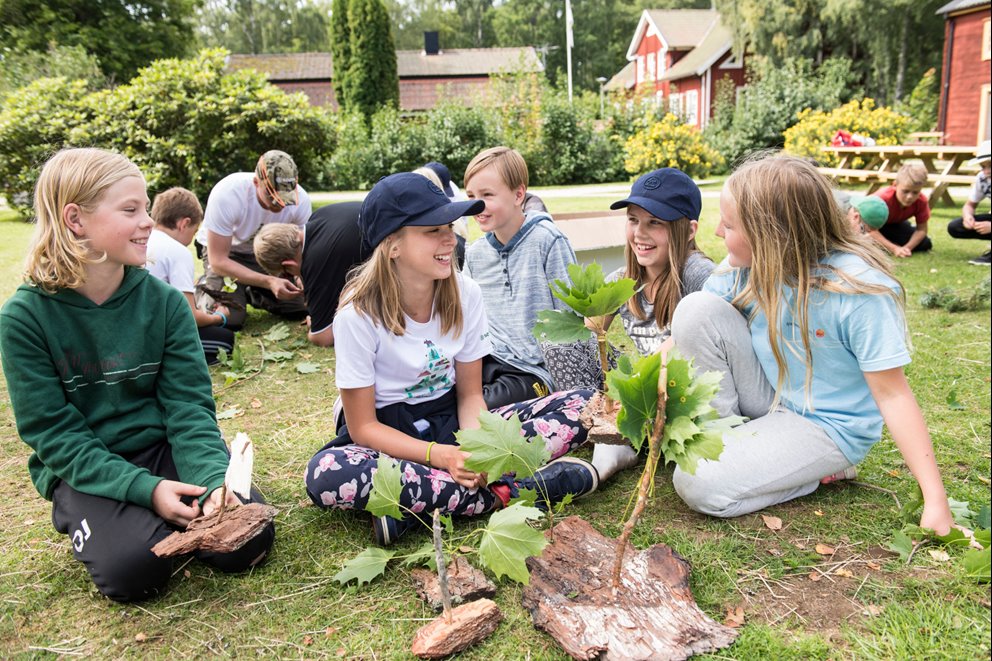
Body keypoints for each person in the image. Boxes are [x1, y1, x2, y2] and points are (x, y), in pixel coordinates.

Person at [0, 148, 274, 602]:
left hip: (163, 447)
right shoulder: (24, 318)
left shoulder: (165, 303)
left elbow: (188, 408)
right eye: (131, 210)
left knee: (247, 539)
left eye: (146, 207)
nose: (148, 221)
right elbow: (53, 434)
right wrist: (146, 491)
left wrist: (210, 482)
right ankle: (115, 519)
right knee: (136, 571)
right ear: (75, 219)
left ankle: (181, 509)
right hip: (84, 468)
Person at [303, 173, 599, 545]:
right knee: (325, 474)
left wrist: (480, 452)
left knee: (587, 402)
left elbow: (470, 395)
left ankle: (417, 505)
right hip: (392, 435)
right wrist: (441, 457)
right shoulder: (356, 317)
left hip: (453, 420)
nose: (451, 239)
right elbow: (363, 428)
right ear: (392, 245)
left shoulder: (465, 293)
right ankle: (520, 491)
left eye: (450, 226)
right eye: (433, 230)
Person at [668, 154, 954, 536]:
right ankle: (731, 441)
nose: (718, 231)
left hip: (826, 426)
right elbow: (691, 332)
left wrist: (935, 500)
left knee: (694, 479)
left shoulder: (860, 292)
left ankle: (816, 472)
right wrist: (639, 382)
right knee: (696, 308)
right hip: (774, 396)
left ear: (772, 235)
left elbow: (894, 396)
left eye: (730, 224)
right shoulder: (751, 268)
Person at [583, 168, 716, 481]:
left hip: (685, 394)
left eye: (655, 222)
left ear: (689, 230)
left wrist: (635, 381)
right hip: (643, 392)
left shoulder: (698, 273)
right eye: (633, 220)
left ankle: (622, 438)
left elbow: (701, 340)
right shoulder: (626, 279)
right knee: (567, 344)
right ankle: (611, 428)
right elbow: (587, 328)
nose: (640, 233)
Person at [463, 146, 576, 408]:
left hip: (532, 372)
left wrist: (572, 391)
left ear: (518, 194)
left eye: (487, 195)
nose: (477, 205)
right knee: (444, 399)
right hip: (483, 362)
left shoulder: (548, 241)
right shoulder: (474, 254)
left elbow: (571, 318)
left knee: (481, 407)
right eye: (471, 196)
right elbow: (464, 317)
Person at [194, 150, 312, 329]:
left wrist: (300, 277)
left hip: (267, 255)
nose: (279, 204)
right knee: (230, 319)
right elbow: (218, 260)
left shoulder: (301, 200)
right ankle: (206, 286)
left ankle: (251, 292)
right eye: (271, 196)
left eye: (284, 198)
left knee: (300, 306)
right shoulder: (228, 193)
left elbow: (305, 251)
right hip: (227, 254)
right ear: (256, 182)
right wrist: (269, 281)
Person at [253, 201, 369, 347]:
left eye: (286, 274)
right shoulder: (320, 215)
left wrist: (312, 325)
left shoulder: (317, 260)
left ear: (288, 265)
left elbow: (323, 338)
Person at [147, 187, 236, 364]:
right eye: (194, 231)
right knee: (225, 341)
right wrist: (219, 317)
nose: (191, 238)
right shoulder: (177, 251)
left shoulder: (142, 240)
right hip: (154, 334)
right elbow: (189, 318)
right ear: (184, 224)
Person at [870, 163, 933, 256]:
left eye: (915, 192)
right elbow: (869, 229)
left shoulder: (921, 201)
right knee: (866, 240)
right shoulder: (881, 199)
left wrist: (906, 249)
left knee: (925, 243)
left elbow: (922, 230)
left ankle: (886, 245)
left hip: (895, 225)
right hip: (871, 227)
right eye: (905, 191)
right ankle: (887, 245)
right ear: (895, 185)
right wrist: (894, 248)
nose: (909, 197)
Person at [946, 140, 991, 266]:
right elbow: (970, 204)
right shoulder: (982, 178)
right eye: (983, 166)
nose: (987, 171)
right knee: (955, 226)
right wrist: (968, 217)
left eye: (991, 166)